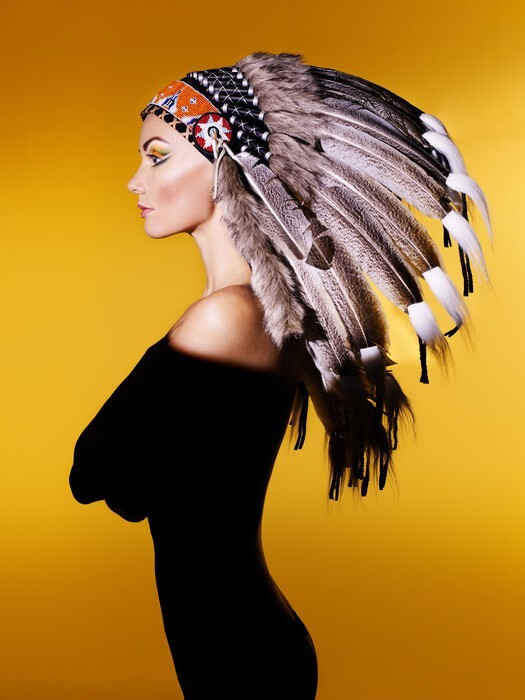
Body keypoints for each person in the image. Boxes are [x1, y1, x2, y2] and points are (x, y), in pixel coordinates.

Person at [70, 52, 490, 698]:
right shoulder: (258, 313)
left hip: (242, 659)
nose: (135, 181)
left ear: (225, 166)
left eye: (157, 157)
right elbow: (136, 486)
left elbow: (94, 472)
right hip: (245, 645)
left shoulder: (224, 320)